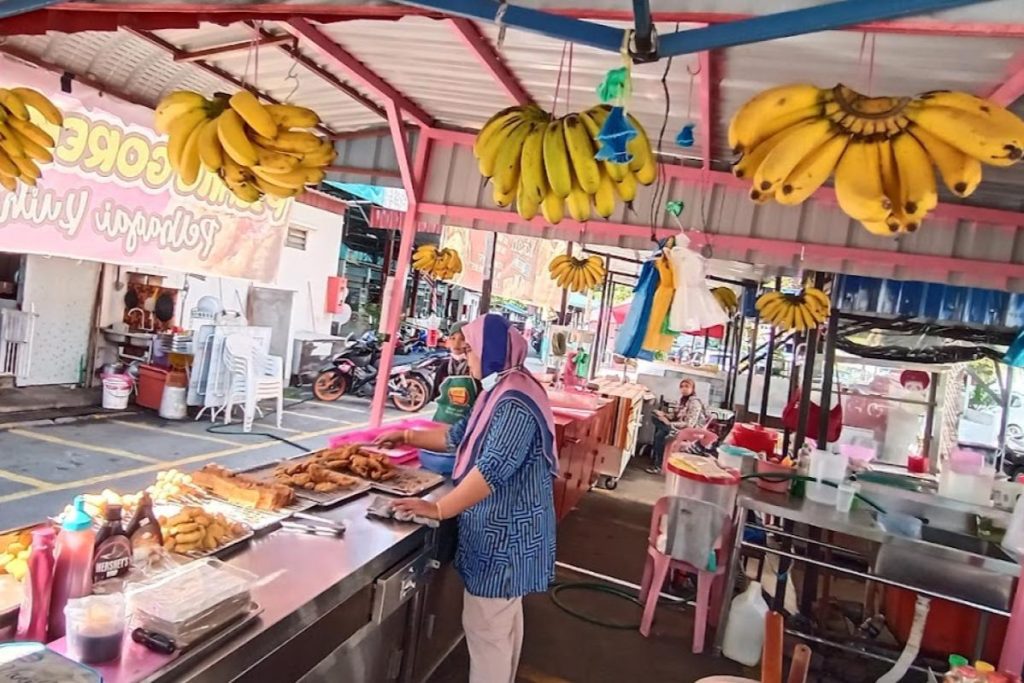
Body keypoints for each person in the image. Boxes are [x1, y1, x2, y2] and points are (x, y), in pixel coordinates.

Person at [375, 314, 557, 683]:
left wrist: (439, 508)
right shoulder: (500, 388)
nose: (466, 356)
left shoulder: (514, 401)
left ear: (492, 352)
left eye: (471, 349)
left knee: (487, 629)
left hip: (506, 535)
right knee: (502, 623)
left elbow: (492, 470)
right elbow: (457, 436)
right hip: (502, 530)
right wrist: (406, 436)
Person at [647, 378, 710, 474]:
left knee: (660, 435)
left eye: (687, 386)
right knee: (654, 417)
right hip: (679, 427)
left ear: (692, 389)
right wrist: (664, 414)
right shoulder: (683, 401)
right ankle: (669, 430)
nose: (684, 389)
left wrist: (669, 424)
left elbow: (690, 424)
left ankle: (658, 465)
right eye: (682, 387)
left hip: (691, 431)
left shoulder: (695, 403)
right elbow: (675, 416)